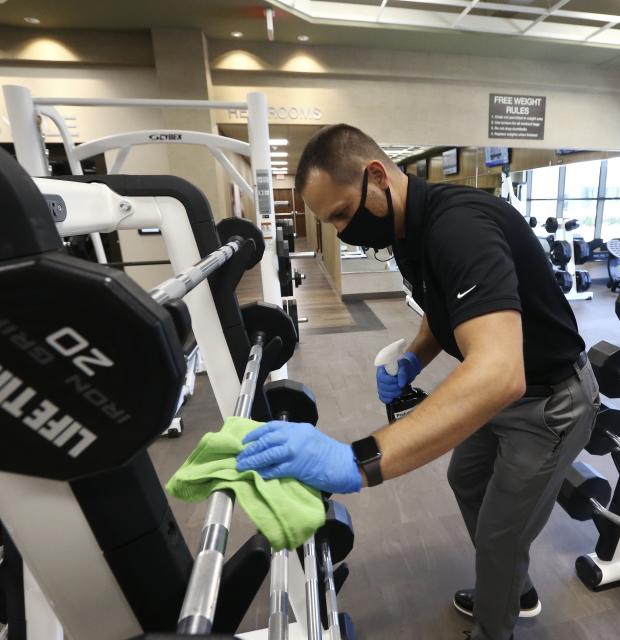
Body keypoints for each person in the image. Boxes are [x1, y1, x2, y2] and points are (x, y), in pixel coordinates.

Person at [235, 124, 599, 640]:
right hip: (507, 397)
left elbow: (499, 372)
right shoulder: (405, 231)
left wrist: (353, 460)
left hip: (550, 403)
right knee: (466, 480)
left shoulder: (460, 227)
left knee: (499, 535)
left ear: (377, 177)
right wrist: (412, 359)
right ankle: (510, 585)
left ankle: (497, 625)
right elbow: (444, 308)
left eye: (341, 212)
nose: (341, 230)